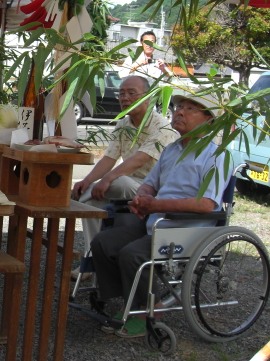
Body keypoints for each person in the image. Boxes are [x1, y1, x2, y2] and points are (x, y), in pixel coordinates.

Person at [90, 91, 228, 338]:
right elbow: (150, 184)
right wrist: (141, 198)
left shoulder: (217, 155)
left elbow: (207, 204)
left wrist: (156, 205)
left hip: (186, 229)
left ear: (209, 120)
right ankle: (130, 300)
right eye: (179, 107)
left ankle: (148, 309)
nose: (180, 112)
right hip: (158, 221)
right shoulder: (172, 149)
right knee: (103, 242)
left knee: (132, 254)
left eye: (190, 109)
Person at [71, 75, 178, 280]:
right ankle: (91, 261)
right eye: (121, 93)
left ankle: (79, 198)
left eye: (131, 93)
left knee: (118, 182)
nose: (125, 98)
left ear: (147, 97)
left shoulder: (161, 126)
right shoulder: (123, 124)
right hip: (127, 185)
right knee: (90, 203)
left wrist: (106, 179)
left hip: (152, 191)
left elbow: (140, 159)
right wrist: (87, 180)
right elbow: (109, 158)